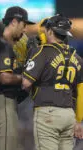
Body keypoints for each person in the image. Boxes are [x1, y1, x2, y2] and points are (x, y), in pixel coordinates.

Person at [22, 14, 83, 150]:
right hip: (69, 114)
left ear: (49, 31)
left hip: (47, 113)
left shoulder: (42, 52)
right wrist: (78, 120)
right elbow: (80, 92)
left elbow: (26, 83)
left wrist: (29, 59)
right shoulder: (78, 58)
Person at [0, 6, 35, 150]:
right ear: (15, 22)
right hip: (1, 104)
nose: (25, 30)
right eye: (24, 25)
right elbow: (4, 77)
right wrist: (25, 77)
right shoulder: (3, 44)